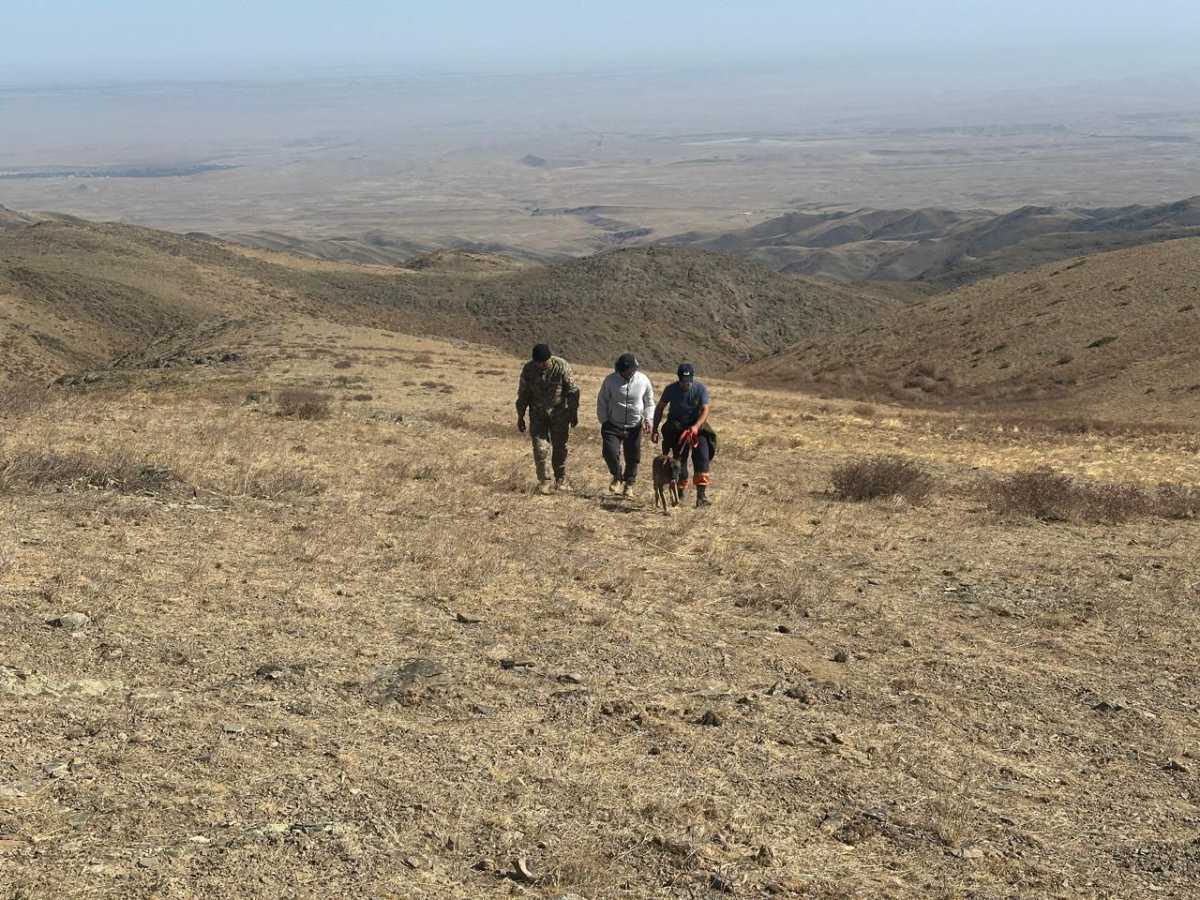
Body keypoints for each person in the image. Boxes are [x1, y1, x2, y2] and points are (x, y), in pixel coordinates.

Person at [516, 343, 580, 494]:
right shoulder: (528, 369)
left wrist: (573, 413)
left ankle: (561, 479)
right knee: (540, 449)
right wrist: (520, 416)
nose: (541, 366)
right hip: (538, 414)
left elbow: (572, 391)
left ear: (549, 359)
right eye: (538, 363)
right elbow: (523, 394)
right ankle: (544, 481)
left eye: (543, 363)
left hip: (559, 414)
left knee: (560, 447)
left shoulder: (561, 366)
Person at [653, 362, 714, 507]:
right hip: (676, 427)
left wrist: (696, 426)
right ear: (678, 378)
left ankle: (701, 497)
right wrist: (655, 429)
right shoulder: (670, 389)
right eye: (682, 381)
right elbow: (660, 407)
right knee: (679, 461)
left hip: (697, 427)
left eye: (688, 381)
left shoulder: (700, 389)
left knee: (702, 458)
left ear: (692, 379)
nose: (685, 384)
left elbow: (705, 409)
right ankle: (679, 493)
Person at [596, 353, 656, 497]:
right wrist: (604, 420)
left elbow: (649, 402)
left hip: (634, 425)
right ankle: (617, 476)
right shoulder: (610, 381)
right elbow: (602, 400)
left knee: (633, 457)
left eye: (633, 369)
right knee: (609, 452)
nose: (631, 372)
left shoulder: (643, 380)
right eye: (628, 370)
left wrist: (648, 418)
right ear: (620, 370)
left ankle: (629, 484)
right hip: (613, 424)